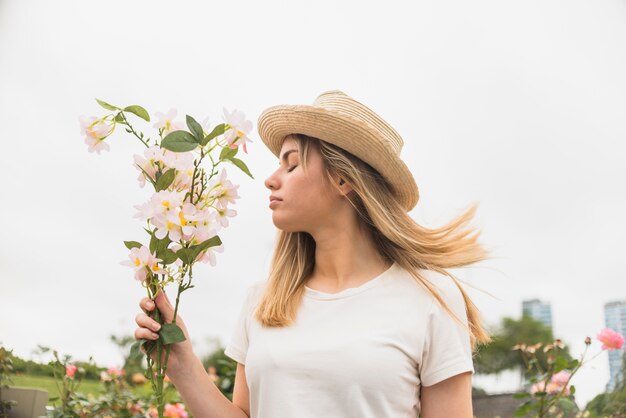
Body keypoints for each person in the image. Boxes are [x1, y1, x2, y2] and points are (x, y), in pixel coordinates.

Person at [135, 90, 491, 418]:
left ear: (342, 179)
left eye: (291, 164)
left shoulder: (431, 299)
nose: (271, 179)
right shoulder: (263, 301)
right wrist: (182, 365)